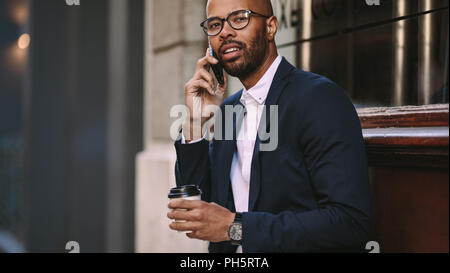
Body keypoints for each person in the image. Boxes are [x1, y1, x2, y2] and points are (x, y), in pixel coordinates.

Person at [167, 0, 371, 253]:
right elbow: (202, 206)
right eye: (215, 24)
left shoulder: (319, 98)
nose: (225, 32)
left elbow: (349, 222)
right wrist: (195, 122)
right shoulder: (230, 110)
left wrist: (235, 227)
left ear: (271, 27)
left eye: (239, 18)